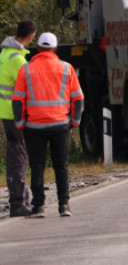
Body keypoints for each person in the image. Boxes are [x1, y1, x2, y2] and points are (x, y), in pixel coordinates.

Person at [12, 31, 83, 218]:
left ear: (37, 48)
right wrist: (74, 121)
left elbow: (17, 100)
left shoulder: (26, 69)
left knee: (37, 166)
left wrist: (20, 123)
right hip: (61, 125)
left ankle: (38, 207)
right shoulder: (67, 68)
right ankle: (64, 205)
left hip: (34, 126)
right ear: (55, 48)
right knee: (61, 165)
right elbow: (78, 98)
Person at [1, 20, 36, 217]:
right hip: (16, 114)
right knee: (19, 156)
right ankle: (18, 202)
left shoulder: (5, 53)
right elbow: (30, 86)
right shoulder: (17, 60)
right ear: (31, 36)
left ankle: (20, 198)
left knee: (16, 154)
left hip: (6, 113)